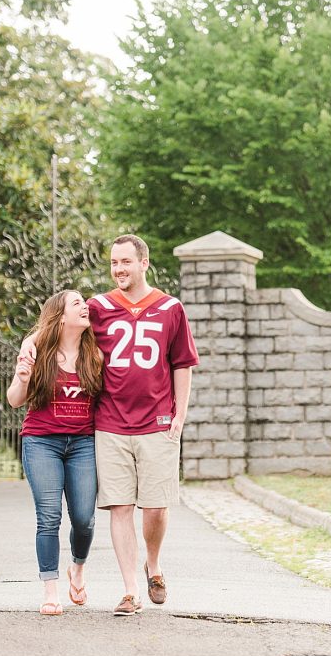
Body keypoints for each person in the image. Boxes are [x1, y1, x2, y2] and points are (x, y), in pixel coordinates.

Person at [20, 234, 198, 616]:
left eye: (125, 262)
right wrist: (29, 342)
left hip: (158, 422)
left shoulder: (170, 308)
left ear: (144, 263)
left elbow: (182, 364)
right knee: (120, 507)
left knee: (155, 508)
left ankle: (153, 564)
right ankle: (130, 590)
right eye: (114, 263)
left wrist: (180, 416)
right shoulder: (99, 306)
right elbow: (57, 324)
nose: (118, 269)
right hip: (110, 423)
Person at [7, 290, 103, 616]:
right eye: (77, 303)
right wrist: (22, 378)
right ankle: (50, 590)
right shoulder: (39, 352)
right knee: (49, 517)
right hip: (41, 441)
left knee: (84, 519)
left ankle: (78, 567)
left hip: (83, 444)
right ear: (61, 316)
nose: (85, 306)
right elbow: (14, 399)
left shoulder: (96, 352)